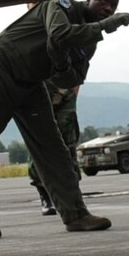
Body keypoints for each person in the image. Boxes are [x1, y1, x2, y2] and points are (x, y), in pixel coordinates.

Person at [0, 0, 129, 238]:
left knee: (53, 146)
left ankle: (76, 215)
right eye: (104, 0)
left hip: (32, 81)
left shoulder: (89, 41)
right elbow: (60, 34)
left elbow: (74, 78)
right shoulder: (58, 3)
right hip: (0, 64)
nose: (108, 7)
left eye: (113, 5)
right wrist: (103, 27)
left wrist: (62, 62)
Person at [27, 67, 89, 216]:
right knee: (39, 144)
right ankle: (45, 196)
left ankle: (74, 198)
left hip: (65, 88)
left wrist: (75, 87)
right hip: (39, 89)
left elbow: (81, 57)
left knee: (69, 144)